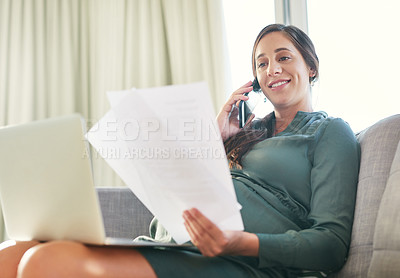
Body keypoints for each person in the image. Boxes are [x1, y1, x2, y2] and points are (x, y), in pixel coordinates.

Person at [0, 24, 360, 278]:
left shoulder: (331, 132)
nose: (272, 69)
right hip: (176, 243)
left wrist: (239, 243)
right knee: (11, 254)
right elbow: (204, 191)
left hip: (245, 264)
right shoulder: (247, 133)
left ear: (310, 67)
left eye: (284, 57)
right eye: (261, 64)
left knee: (45, 264)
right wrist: (215, 140)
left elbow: (330, 246)